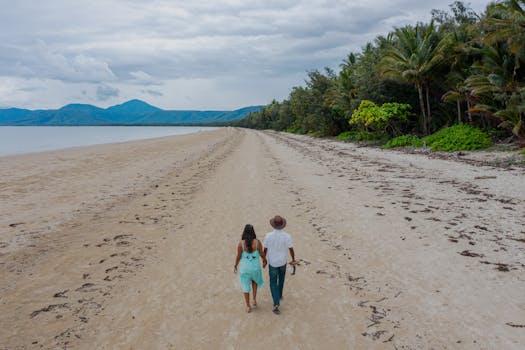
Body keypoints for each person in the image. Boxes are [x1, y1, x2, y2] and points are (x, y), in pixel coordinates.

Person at [263, 215, 296, 315]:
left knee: (273, 282)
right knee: (281, 279)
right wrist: (293, 259)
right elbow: (291, 249)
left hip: (273, 262)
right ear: (282, 225)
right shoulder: (287, 236)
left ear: (273, 225)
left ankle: (276, 304)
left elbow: (265, 249)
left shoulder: (268, 235)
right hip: (282, 262)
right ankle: (280, 295)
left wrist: (264, 260)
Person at [234, 224, 267, 313]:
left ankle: (248, 306)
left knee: (245, 286)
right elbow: (261, 253)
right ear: (253, 232)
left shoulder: (241, 244)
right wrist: (265, 260)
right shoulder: (257, 242)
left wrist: (235, 265)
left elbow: (238, 256)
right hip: (255, 268)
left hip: (245, 269)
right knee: (254, 281)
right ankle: (254, 299)